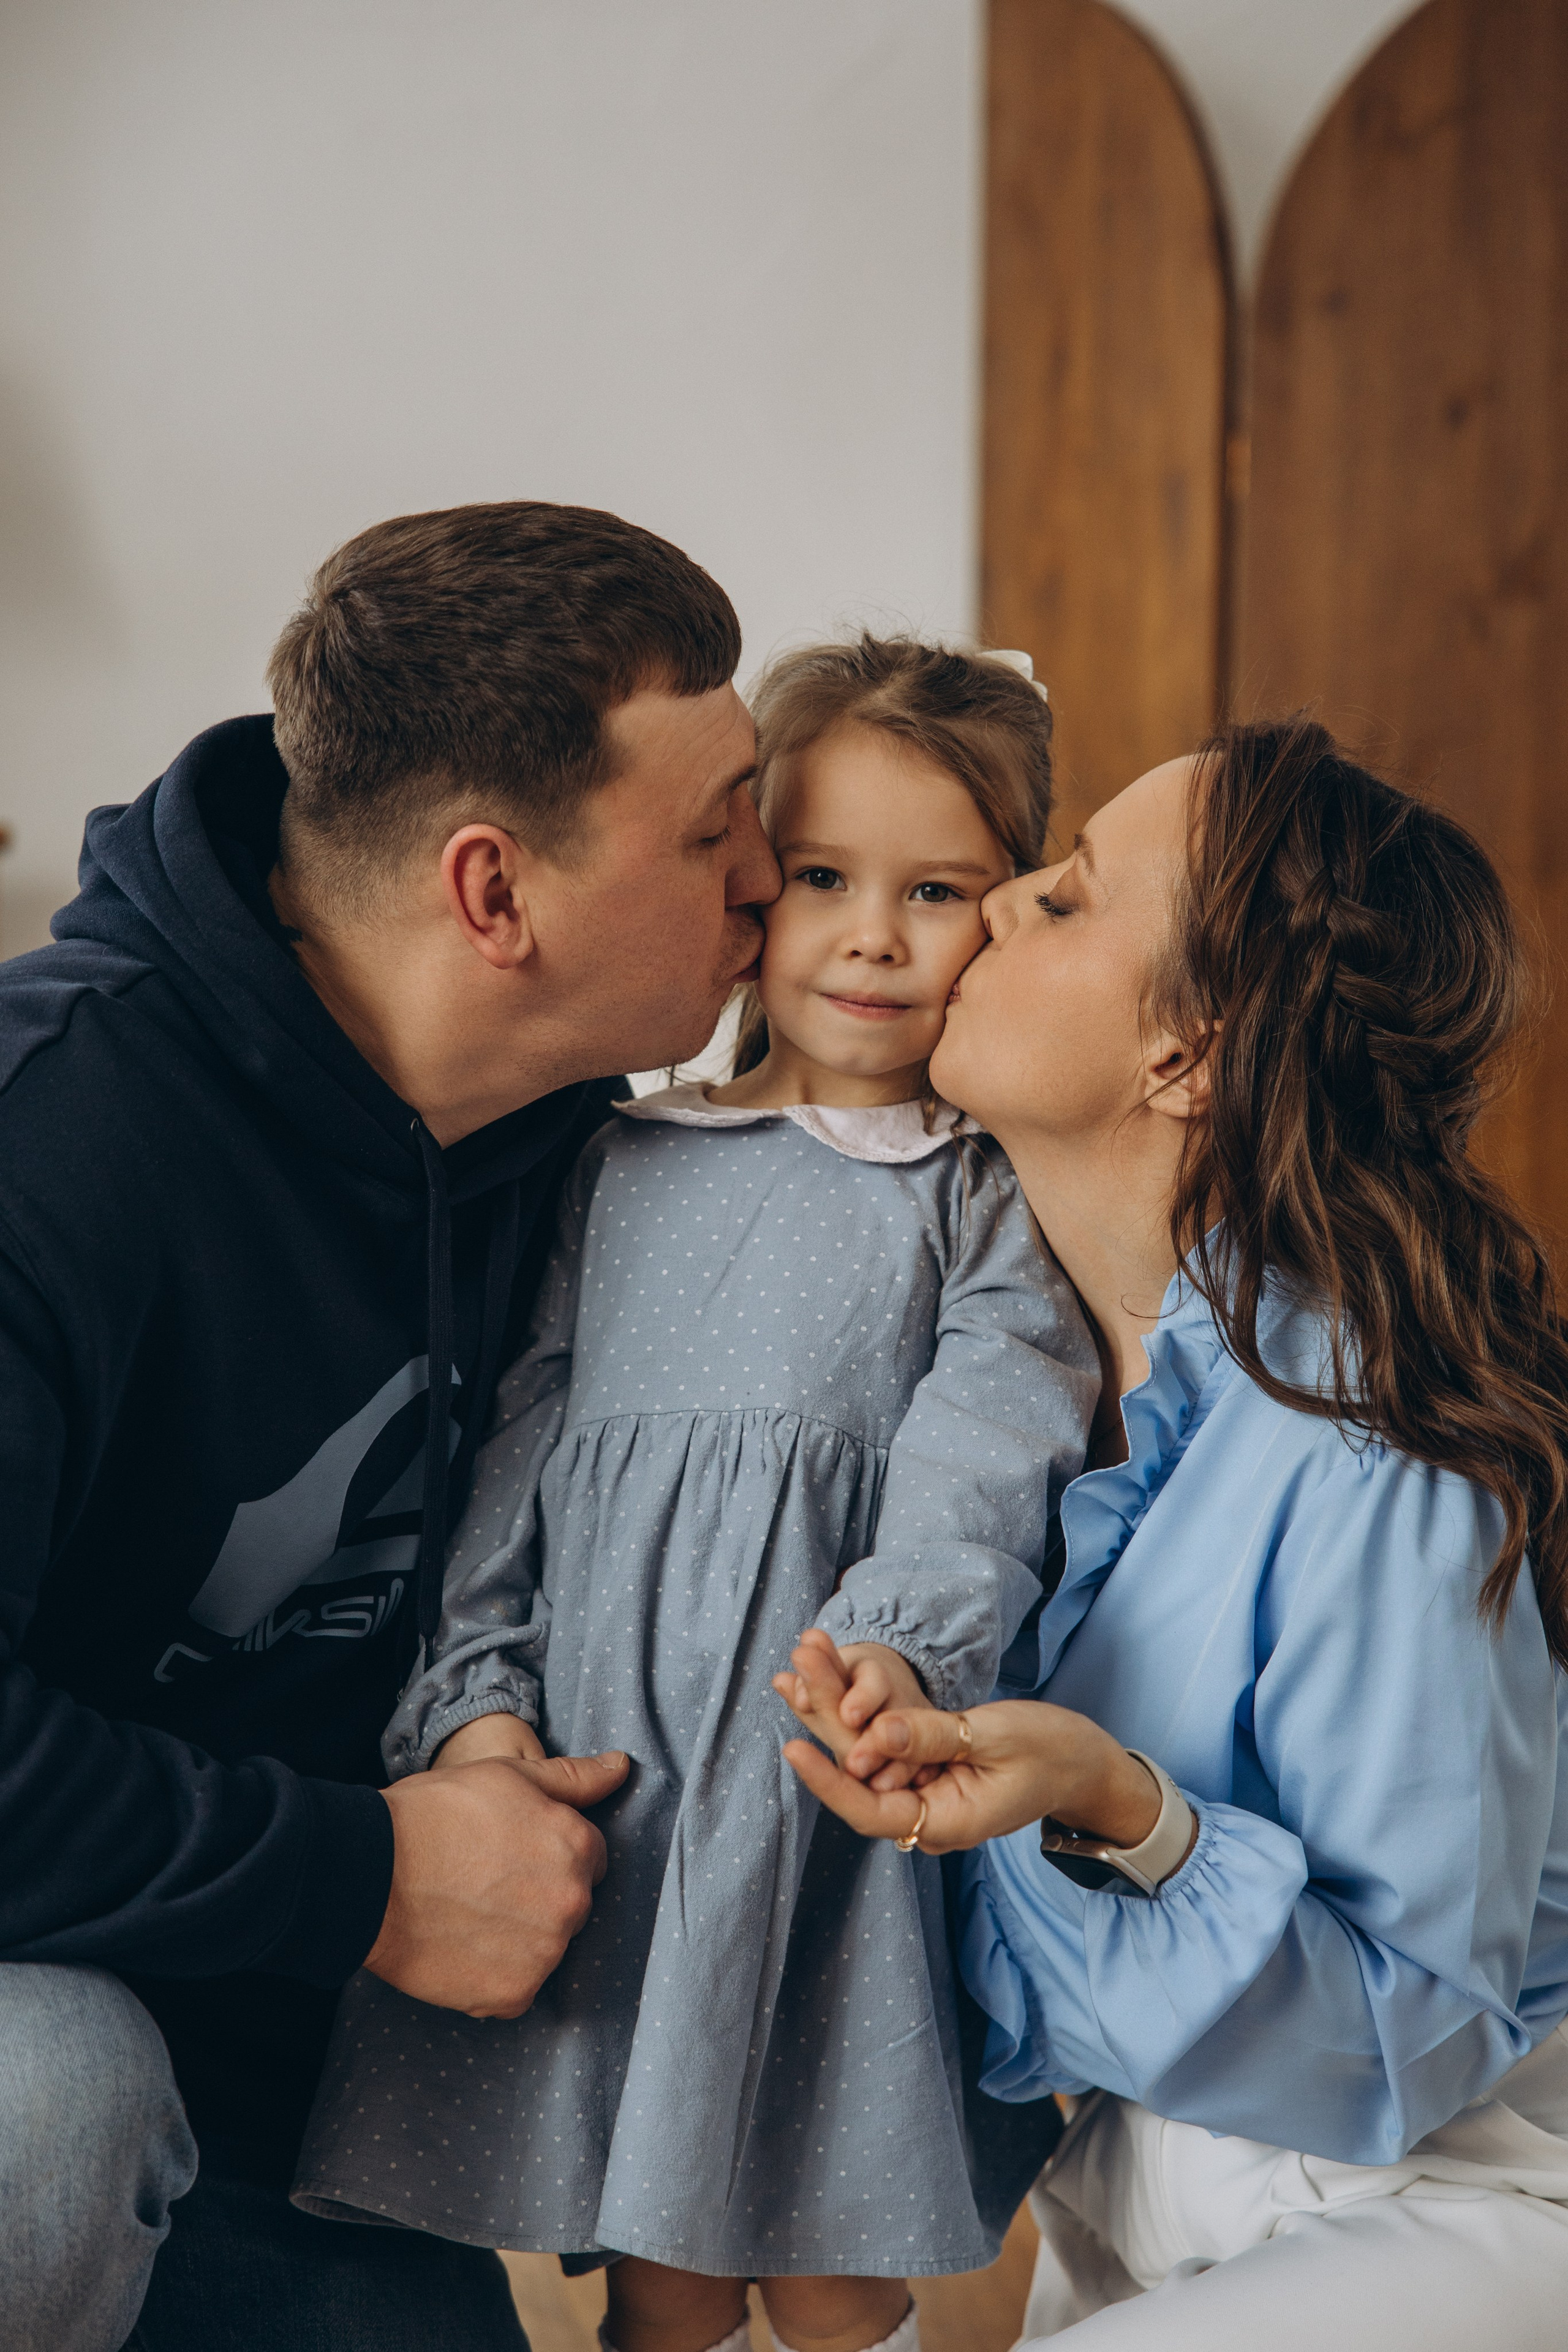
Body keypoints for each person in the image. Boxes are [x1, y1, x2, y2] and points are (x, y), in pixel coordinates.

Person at [0, 501, 780, 2352]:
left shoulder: (594, 1160)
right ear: (493, 894)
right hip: (57, 2004)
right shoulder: (45, 1146)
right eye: (716, 831)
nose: (771, 873)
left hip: (295, 2066)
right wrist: (365, 1879)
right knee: (54, 2101)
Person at [293, 636, 1101, 2352]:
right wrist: (476, 1690)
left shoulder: (978, 1192)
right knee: (658, 2252)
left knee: (829, 2255)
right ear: (749, 889)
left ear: (1007, 911)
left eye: (937, 891)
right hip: (624, 1763)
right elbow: (522, 1442)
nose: (873, 936)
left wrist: (899, 1646)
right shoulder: (625, 1155)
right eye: (821, 878)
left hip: (824, 1759)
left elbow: (993, 1439)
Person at [776, 717, 1568, 2351]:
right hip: (1149, 2189)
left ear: (1188, 1059)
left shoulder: (1376, 1450)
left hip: (1450, 2198)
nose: (997, 902)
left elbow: (1413, 2037)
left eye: (1064, 898)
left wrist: (1114, 1801)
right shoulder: (1014, 1392)